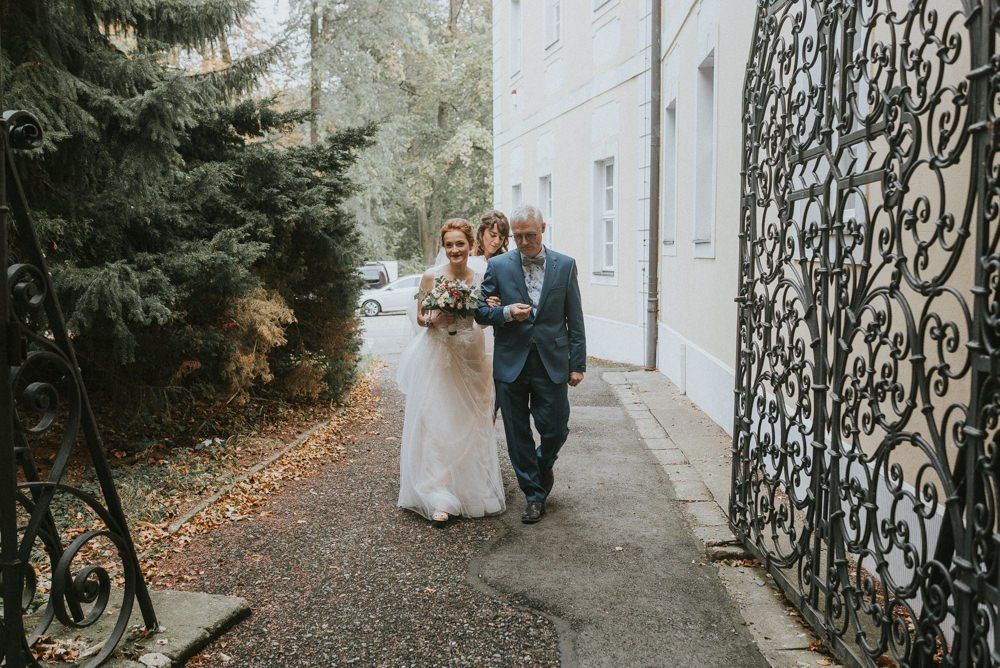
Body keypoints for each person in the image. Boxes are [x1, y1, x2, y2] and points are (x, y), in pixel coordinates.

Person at [475, 205, 586, 524]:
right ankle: (533, 495)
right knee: (516, 431)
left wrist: (577, 364)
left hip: (552, 362)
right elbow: (480, 313)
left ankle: (542, 465)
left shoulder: (565, 265)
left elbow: (574, 318)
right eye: (518, 236)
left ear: (544, 229)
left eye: (530, 235)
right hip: (511, 362)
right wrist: (507, 313)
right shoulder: (497, 266)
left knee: (555, 427)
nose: (524, 242)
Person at [396, 219, 506, 526]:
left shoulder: (483, 275)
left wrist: (491, 307)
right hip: (439, 357)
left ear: (471, 245)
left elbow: (484, 322)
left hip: (472, 356)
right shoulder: (431, 276)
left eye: (460, 244)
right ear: (443, 248)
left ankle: (472, 490)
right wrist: (433, 317)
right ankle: (438, 495)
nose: (455, 250)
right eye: (449, 245)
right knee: (437, 422)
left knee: (471, 422)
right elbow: (420, 317)